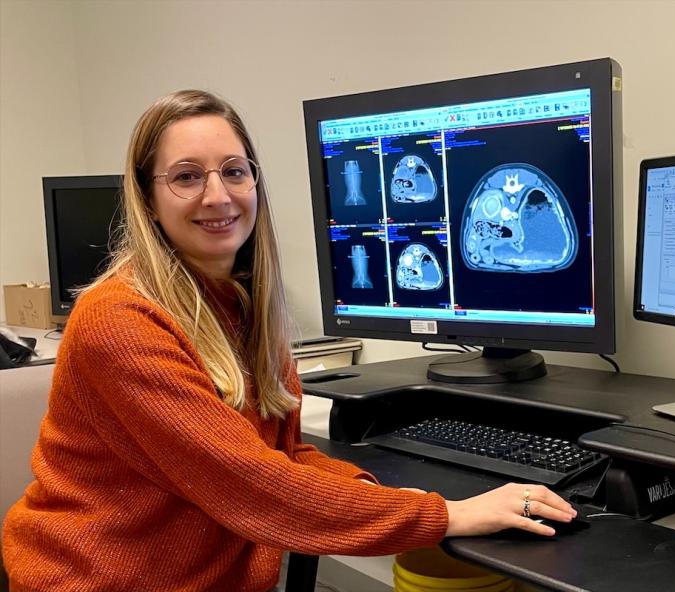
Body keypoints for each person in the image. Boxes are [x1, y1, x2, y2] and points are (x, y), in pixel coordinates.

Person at [1, 90, 576, 591]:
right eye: (185, 175)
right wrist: (443, 514)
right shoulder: (119, 319)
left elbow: (285, 456)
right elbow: (252, 484)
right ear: (146, 198)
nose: (218, 195)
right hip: (104, 580)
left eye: (233, 170)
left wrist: (385, 495)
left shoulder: (243, 303)